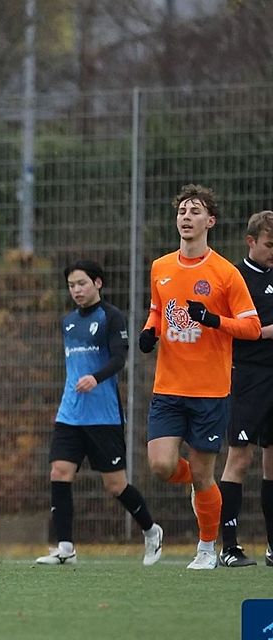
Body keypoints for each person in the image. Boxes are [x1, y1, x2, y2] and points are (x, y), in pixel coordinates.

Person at [138, 183, 260, 570]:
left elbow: (252, 327)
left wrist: (212, 320)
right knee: (160, 465)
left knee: (206, 474)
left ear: (211, 221)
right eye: (182, 212)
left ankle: (207, 547)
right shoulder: (161, 267)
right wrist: (149, 330)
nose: (186, 217)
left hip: (209, 391)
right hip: (168, 387)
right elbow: (159, 310)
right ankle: (202, 485)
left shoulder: (226, 273)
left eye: (195, 212)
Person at [35, 260, 163, 566]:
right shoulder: (67, 321)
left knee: (115, 485)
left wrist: (96, 377)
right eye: (71, 285)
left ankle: (151, 530)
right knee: (59, 473)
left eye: (82, 283)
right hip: (70, 414)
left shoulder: (111, 317)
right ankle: (65, 547)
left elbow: (120, 359)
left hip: (103, 416)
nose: (76, 290)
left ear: (98, 283)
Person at [217, 210, 273, 567]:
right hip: (247, 376)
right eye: (270, 244)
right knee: (240, 457)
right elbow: (228, 328)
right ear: (250, 242)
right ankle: (230, 546)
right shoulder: (234, 278)